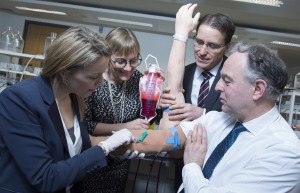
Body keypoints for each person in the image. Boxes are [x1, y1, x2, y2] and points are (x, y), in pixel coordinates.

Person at [119, 4, 300, 193]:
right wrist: (102, 144)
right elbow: (166, 137)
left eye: (227, 81)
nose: (202, 51)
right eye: (198, 42)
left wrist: (192, 166)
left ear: (257, 89)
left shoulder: (284, 152)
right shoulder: (218, 120)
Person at [0, 26, 134, 193]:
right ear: (65, 72)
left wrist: (115, 150)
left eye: (102, 74)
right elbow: (45, 177)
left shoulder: (73, 97)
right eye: (93, 77)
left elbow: (76, 147)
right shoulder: (18, 100)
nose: (100, 82)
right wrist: (104, 148)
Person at [159, 3, 235, 190]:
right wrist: (162, 103)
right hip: (182, 163)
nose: (202, 51)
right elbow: (165, 116)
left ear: (226, 47)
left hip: (221, 167)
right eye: (199, 41)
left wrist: (203, 113)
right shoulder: (183, 73)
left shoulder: (235, 77)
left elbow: (243, 118)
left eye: (212, 46)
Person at [83, 27, 162, 193]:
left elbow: (145, 121)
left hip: (121, 164)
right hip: (91, 160)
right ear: (107, 57)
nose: (128, 68)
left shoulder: (138, 79)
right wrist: (124, 127)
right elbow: (86, 126)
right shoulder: (94, 79)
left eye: (133, 61)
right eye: (121, 61)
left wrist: (154, 91)